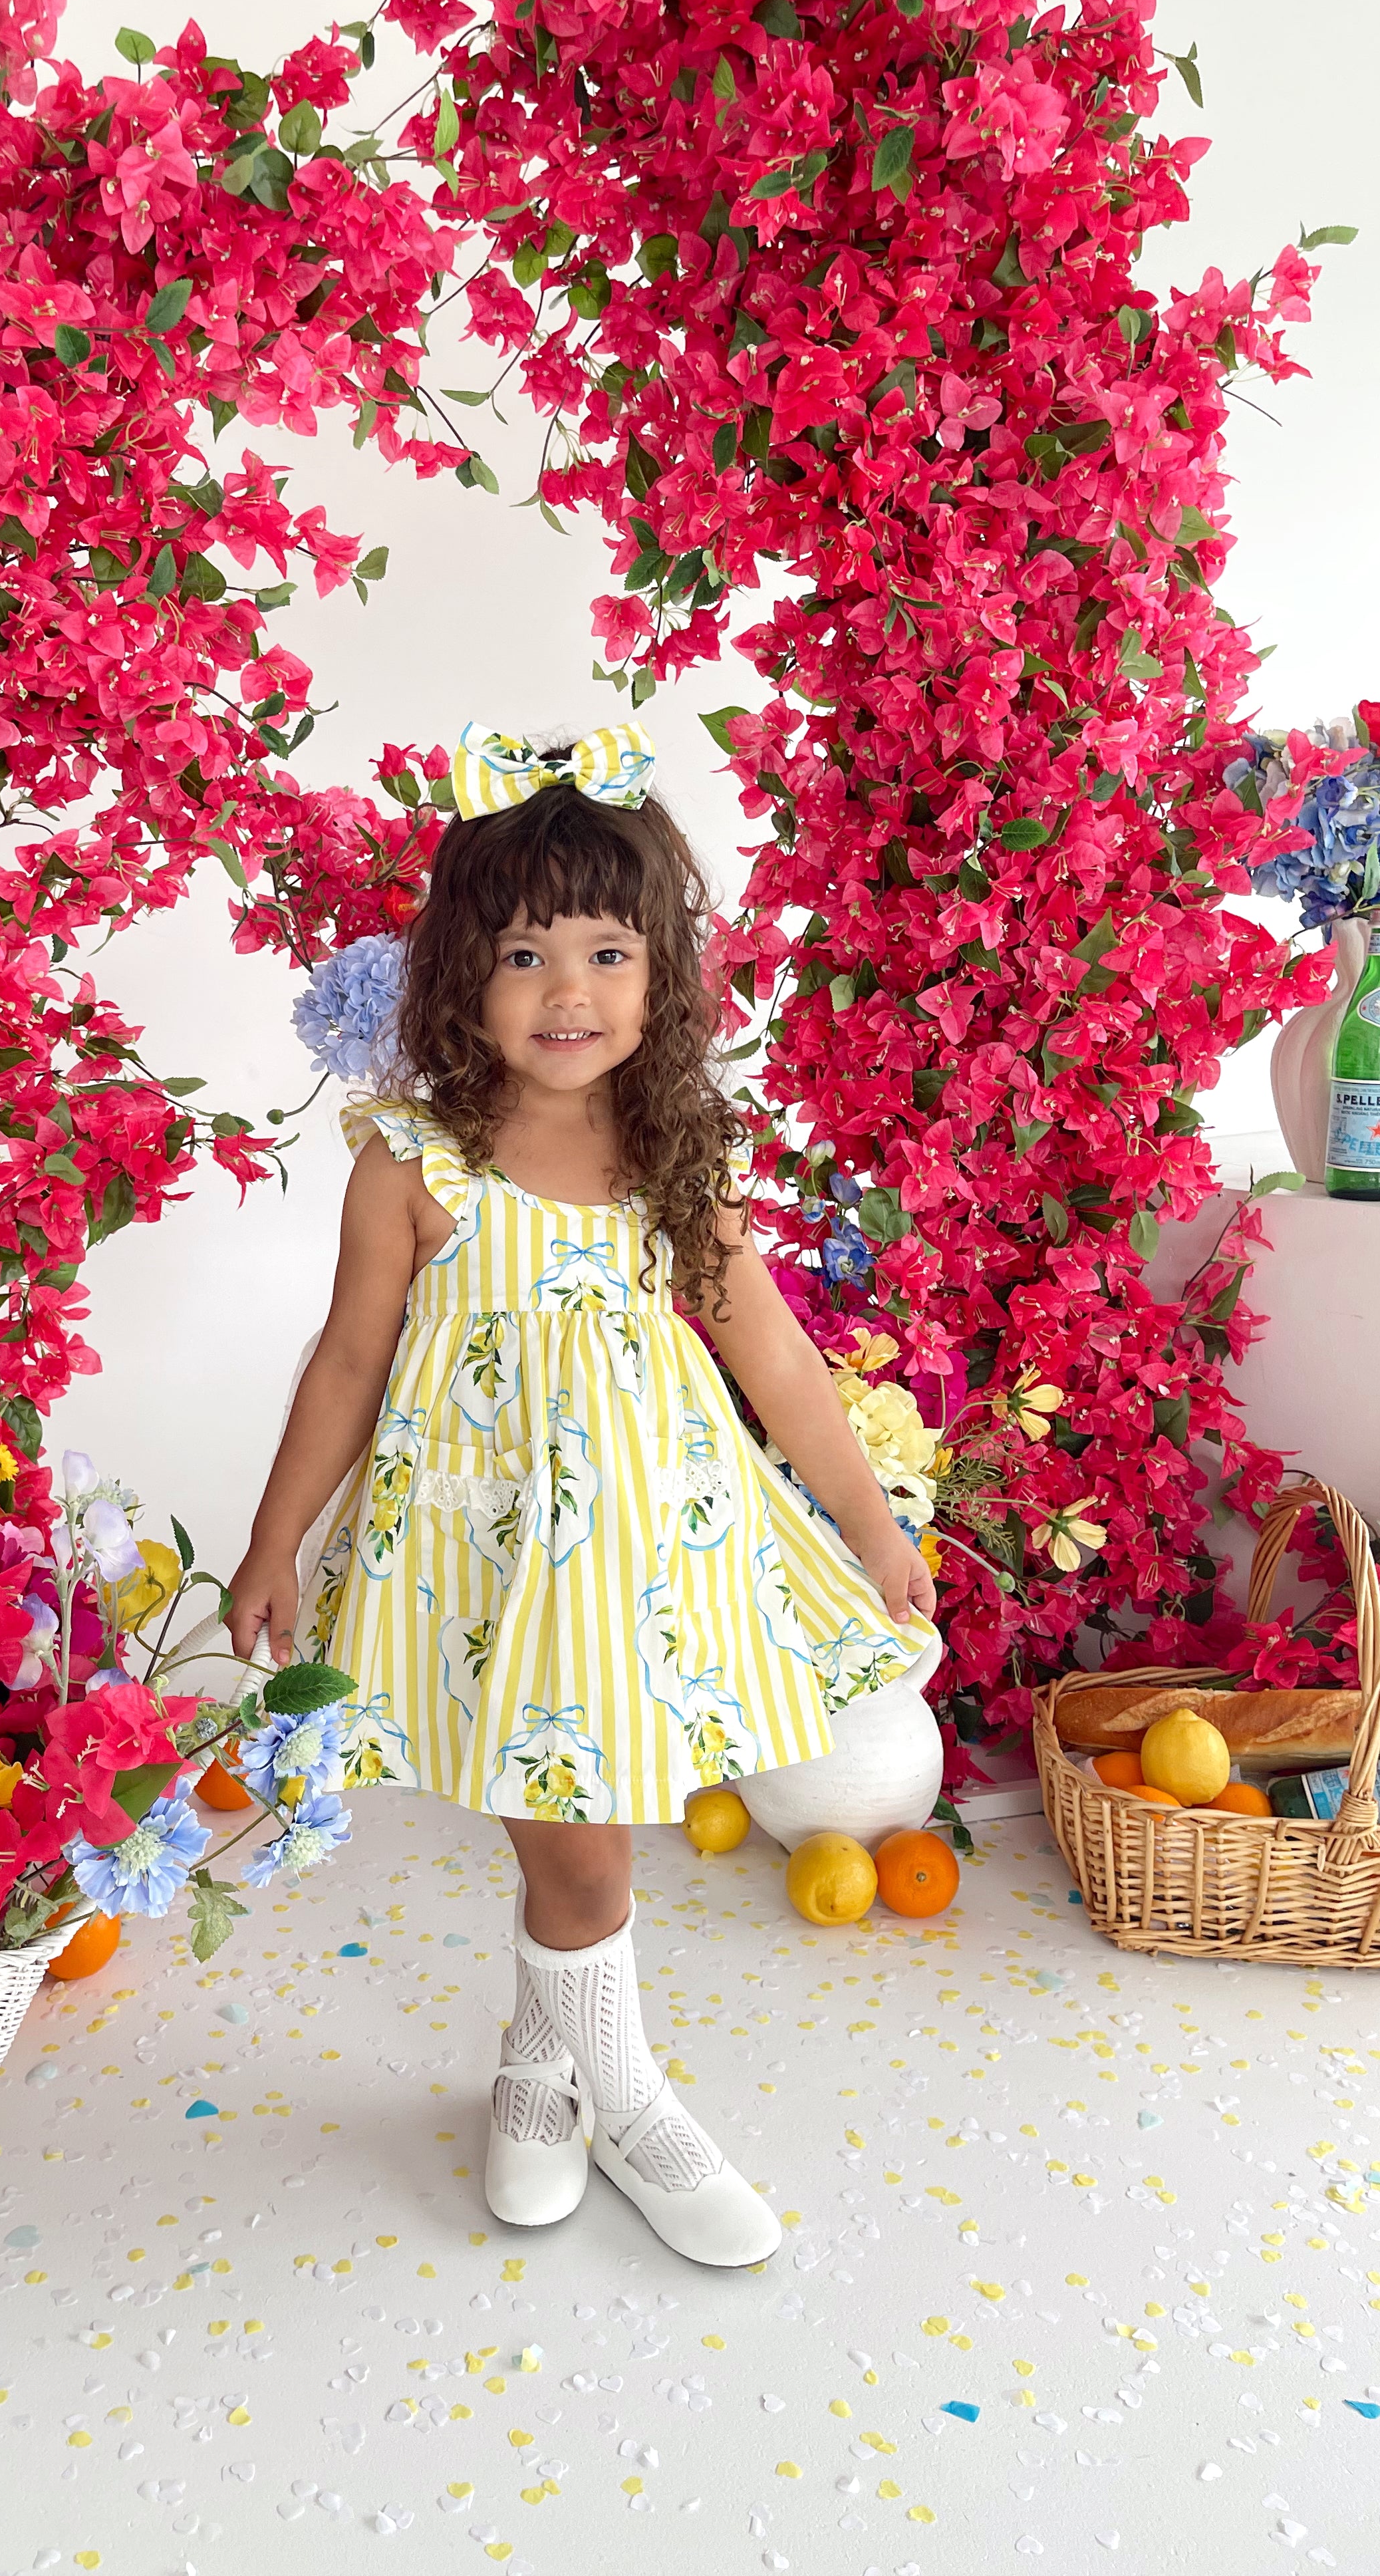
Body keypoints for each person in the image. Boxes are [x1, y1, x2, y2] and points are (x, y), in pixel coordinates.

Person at [225, 720, 940, 2269]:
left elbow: (778, 1360)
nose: (570, 992)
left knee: (582, 1839)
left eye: (609, 952)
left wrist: (872, 1525)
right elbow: (348, 1363)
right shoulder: (414, 1161)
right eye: (525, 954)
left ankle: (545, 2074)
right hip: (480, 1558)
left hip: (636, 1558)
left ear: (660, 971)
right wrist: (273, 1544)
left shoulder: (672, 1153)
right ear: (459, 974)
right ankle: (631, 2101)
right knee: (581, 1849)